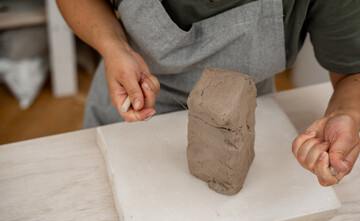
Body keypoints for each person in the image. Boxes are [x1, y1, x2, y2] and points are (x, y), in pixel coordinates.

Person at [57, 0, 360, 187]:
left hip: (248, 111)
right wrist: (114, 47)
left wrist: (348, 113)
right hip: (125, 106)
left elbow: (352, 71)